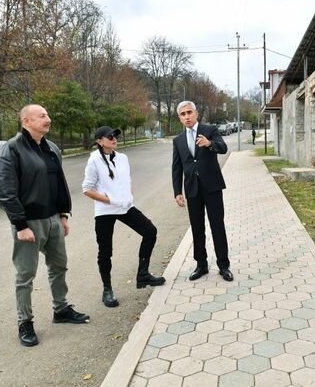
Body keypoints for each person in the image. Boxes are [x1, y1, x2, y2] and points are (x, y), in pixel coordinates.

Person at [0, 104, 89, 348]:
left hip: (53, 220)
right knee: (25, 275)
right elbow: (6, 192)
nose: (49, 118)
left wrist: (63, 214)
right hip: (29, 223)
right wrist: (20, 224)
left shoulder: (52, 149)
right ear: (26, 121)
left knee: (59, 266)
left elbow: (59, 184)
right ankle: (25, 322)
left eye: (48, 114)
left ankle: (61, 309)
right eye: (42, 116)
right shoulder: (12, 149)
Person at [82, 126, 165, 308]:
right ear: (99, 141)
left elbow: (125, 181)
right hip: (105, 210)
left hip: (126, 207)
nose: (114, 139)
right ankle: (107, 289)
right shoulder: (94, 160)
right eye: (110, 136)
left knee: (150, 231)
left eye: (115, 136)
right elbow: (87, 189)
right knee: (105, 251)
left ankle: (143, 274)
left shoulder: (123, 158)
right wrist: (109, 199)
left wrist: (127, 196)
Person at [172, 101, 233, 281]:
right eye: (183, 114)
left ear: (196, 114)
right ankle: (201, 265)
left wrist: (209, 143)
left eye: (189, 112)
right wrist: (177, 191)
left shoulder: (210, 130)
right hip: (192, 189)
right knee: (197, 228)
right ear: (180, 118)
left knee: (217, 226)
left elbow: (223, 148)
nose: (187, 116)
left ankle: (224, 265)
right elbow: (176, 167)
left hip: (212, 187)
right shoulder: (178, 140)